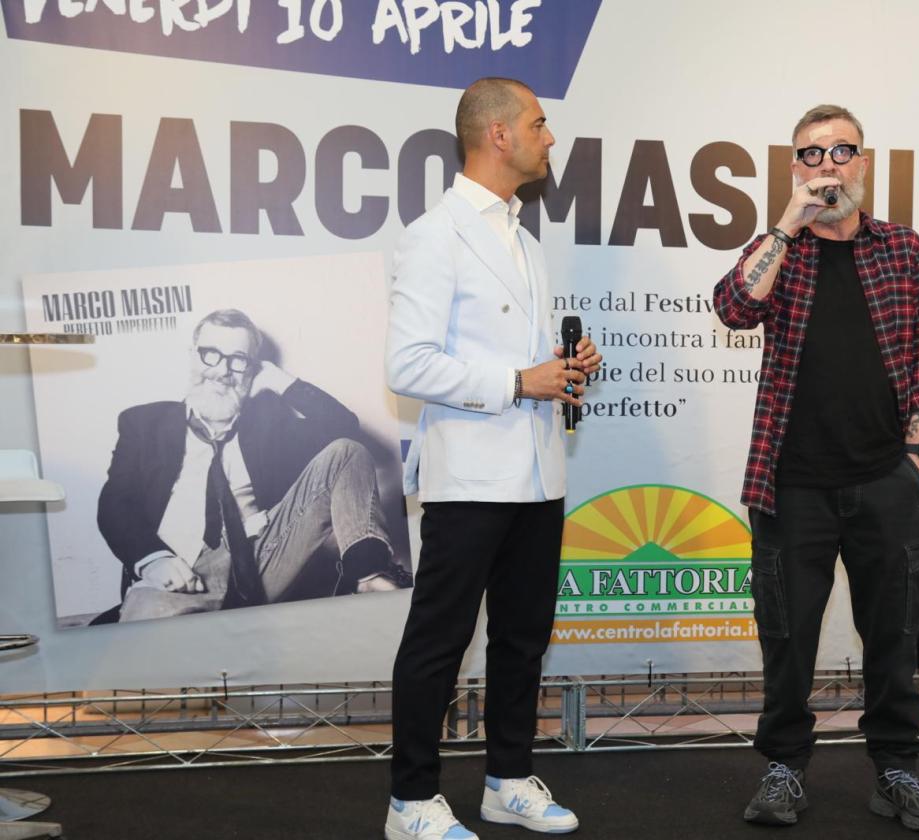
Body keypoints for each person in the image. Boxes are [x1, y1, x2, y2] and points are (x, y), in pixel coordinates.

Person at [714, 104, 919, 833]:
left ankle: (897, 770)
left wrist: (918, 458)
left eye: (842, 150)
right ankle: (785, 768)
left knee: (893, 640)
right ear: (796, 169)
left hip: (886, 480)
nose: (828, 165)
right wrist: (787, 225)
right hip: (790, 485)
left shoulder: (903, 250)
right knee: (787, 640)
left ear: (864, 163)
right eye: (812, 154)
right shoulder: (779, 249)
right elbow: (734, 308)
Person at [384, 77, 601, 840]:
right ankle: (410, 801)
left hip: (539, 472)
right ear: (499, 135)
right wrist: (517, 381)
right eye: (539, 124)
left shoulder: (526, 239)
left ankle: (508, 781)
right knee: (439, 642)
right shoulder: (434, 234)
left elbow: (521, 357)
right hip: (471, 474)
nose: (551, 138)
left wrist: (564, 366)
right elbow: (407, 365)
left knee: (522, 638)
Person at [97, 308, 403, 622]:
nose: (222, 371)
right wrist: (153, 559)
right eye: (210, 355)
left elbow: (344, 427)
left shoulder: (268, 426)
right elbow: (115, 502)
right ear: (192, 356)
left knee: (347, 452)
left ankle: (368, 575)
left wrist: (281, 382)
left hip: (261, 564)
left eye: (237, 360)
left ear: (252, 369)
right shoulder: (144, 423)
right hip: (177, 575)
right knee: (147, 625)